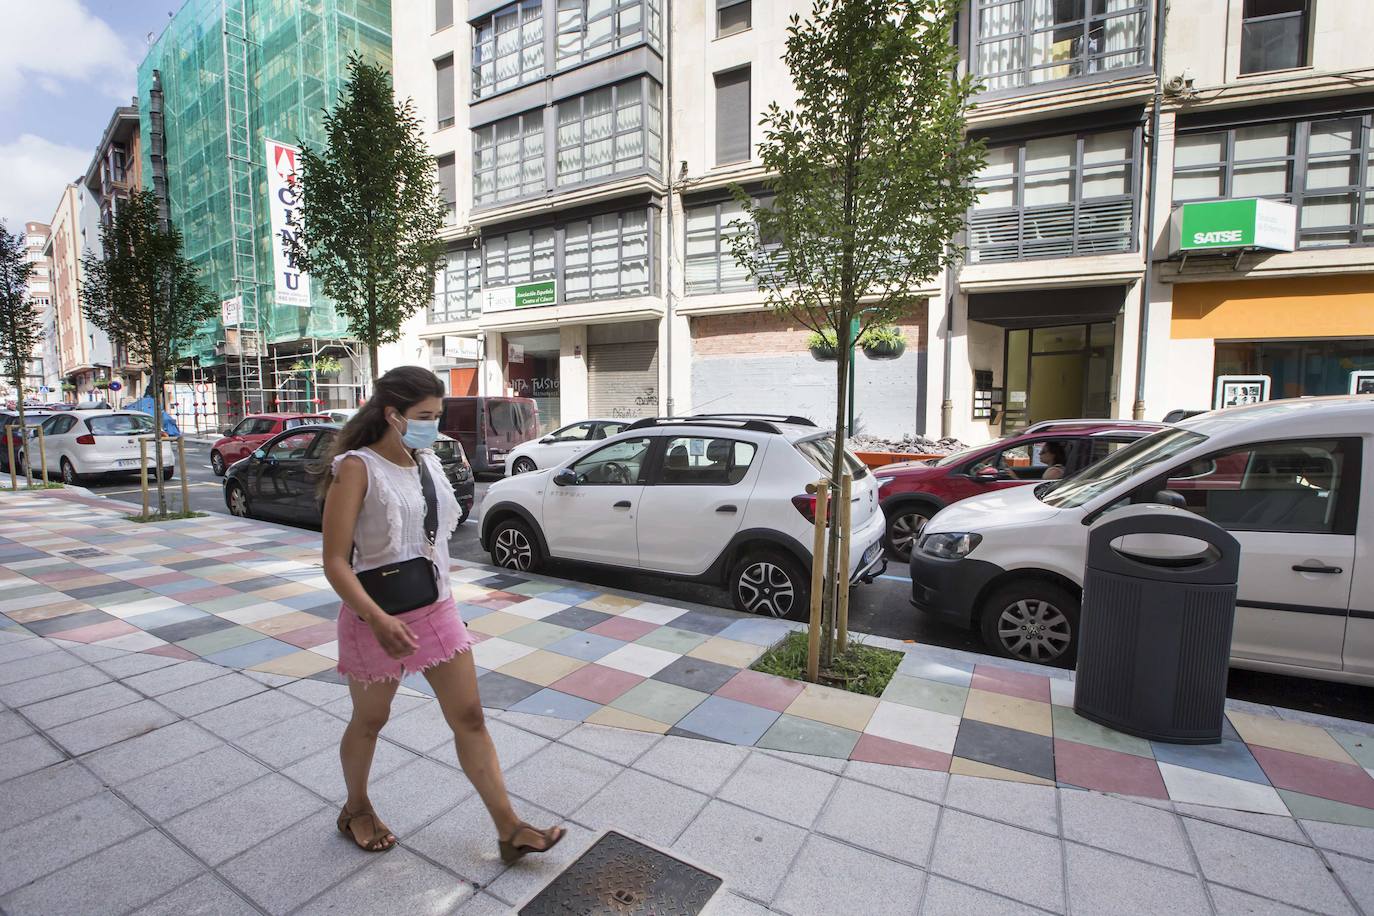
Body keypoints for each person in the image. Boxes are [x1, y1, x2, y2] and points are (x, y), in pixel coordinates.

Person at [320, 366, 563, 860]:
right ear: (393, 415)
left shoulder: (426, 461)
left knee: (470, 717)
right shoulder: (356, 468)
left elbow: (432, 545)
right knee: (371, 720)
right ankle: (356, 808)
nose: (435, 424)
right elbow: (333, 562)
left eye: (437, 415)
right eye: (425, 416)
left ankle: (509, 828)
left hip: (436, 609)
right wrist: (377, 618)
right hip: (375, 615)